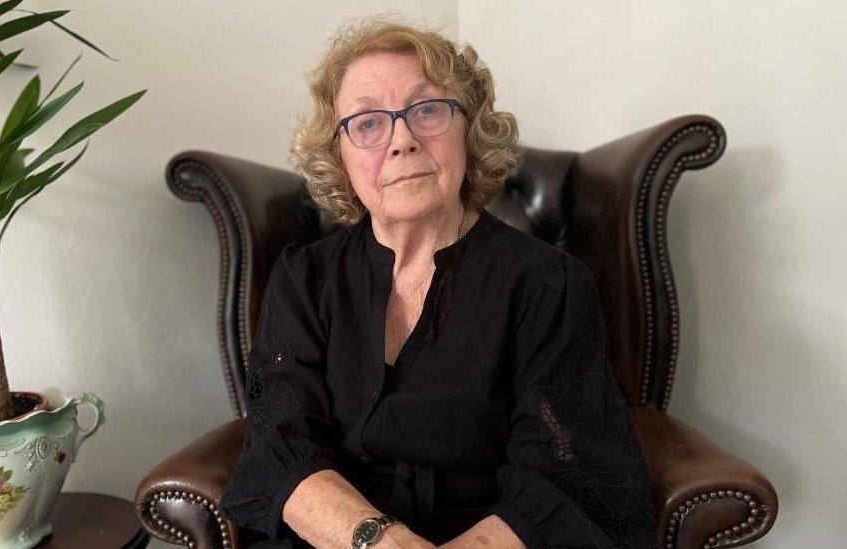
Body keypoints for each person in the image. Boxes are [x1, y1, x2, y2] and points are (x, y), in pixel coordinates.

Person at [219, 14, 658, 549]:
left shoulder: (547, 283)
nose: (401, 140)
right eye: (368, 123)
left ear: (469, 133)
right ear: (341, 157)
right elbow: (280, 449)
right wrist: (380, 542)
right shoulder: (304, 279)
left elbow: (563, 477)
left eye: (427, 110)